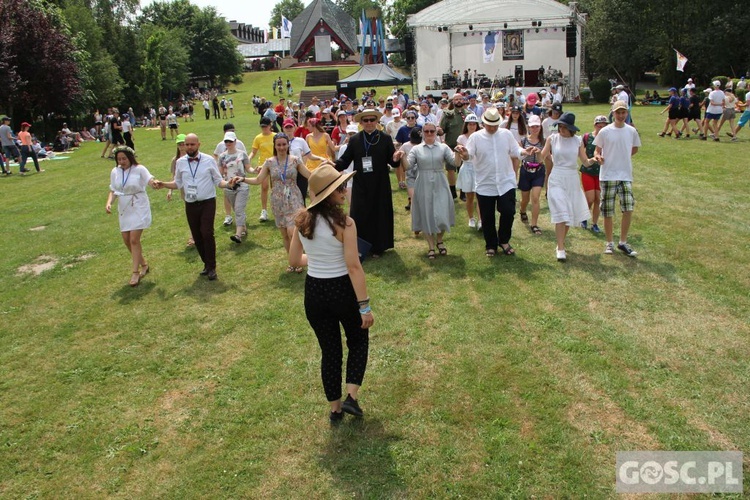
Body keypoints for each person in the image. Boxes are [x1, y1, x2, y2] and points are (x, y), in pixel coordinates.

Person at [288, 164, 373, 423]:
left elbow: (294, 259)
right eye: (340, 187)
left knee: (330, 350)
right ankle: (351, 397)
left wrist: (315, 260)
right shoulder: (345, 223)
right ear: (329, 193)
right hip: (341, 289)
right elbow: (353, 266)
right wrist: (365, 306)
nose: (345, 191)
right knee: (358, 339)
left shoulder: (301, 221)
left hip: (314, 291)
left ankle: (335, 410)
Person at [154, 133, 235, 280]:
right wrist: (164, 184)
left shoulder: (209, 160)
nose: (189, 147)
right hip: (190, 203)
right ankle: (206, 264)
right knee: (197, 236)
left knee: (206, 232)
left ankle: (212, 267)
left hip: (207, 202)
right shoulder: (180, 163)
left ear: (198, 144)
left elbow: (218, 181)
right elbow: (177, 183)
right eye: (187, 144)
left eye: (192, 144)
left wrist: (228, 183)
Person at [456, 107, 530, 257]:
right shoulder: (476, 137)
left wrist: (524, 152)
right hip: (485, 182)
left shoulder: (506, 134)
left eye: (495, 125)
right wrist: (464, 154)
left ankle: (504, 240)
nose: (492, 127)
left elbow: (516, 150)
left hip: (505, 181)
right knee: (487, 216)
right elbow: (468, 155)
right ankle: (490, 244)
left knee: (508, 212)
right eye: (489, 125)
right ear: (483, 123)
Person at [234, 133, 311, 271]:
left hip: (294, 199)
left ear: (288, 145)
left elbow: (310, 175)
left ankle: (300, 258)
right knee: (284, 234)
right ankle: (292, 262)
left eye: (284, 144)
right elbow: (258, 180)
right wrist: (242, 179)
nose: (281, 147)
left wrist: (327, 171)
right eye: (279, 145)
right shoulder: (269, 162)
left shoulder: (295, 160)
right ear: (275, 146)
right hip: (277, 201)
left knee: (292, 232)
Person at [334, 108, 400, 257]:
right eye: (366, 120)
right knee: (361, 214)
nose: (369, 123)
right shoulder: (355, 139)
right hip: (361, 184)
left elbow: (393, 162)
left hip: (380, 183)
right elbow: (345, 160)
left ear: (377, 121)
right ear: (361, 122)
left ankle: (379, 247)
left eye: (372, 120)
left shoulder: (385, 138)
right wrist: (333, 165)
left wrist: (396, 159)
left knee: (379, 213)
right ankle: (361, 247)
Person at [537, 113, 595, 262]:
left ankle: (560, 243)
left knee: (568, 215)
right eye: (560, 126)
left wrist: (595, 160)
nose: (561, 130)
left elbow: (585, 161)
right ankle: (561, 249)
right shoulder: (552, 138)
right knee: (561, 213)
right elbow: (541, 158)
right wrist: (537, 153)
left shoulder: (578, 141)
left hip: (572, 179)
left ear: (571, 129)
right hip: (556, 177)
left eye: (564, 127)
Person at [403, 122, 462, 259]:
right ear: (422, 133)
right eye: (427, 131)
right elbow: (408, 166)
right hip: (423, 182)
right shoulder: (416, 149)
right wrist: (402, 157)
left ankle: (440, 240)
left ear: (436, 133)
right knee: (426, 213)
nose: (429, 134)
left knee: (442, 211)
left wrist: (459, 153)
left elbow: (455, 163)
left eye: (432, 131)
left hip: (440, 180)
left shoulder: (443, 147)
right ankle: (431, 245)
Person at [593, 100, 641, 257]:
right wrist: (599, 157)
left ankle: (622, 241)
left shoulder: (631, 131)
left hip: (625, 175)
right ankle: (609, 242)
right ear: (613, 113)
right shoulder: (605, 131)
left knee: (628, 207)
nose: (621, 115)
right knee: (608, 210)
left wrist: (623, 157)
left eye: (623, 112)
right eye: (618, 112)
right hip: (607, 176)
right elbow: (597, 151)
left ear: (627, 113)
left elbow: (634, 149)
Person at [105, 146, 158, 286]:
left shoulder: (139, 169)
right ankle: (144, 264)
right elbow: (113, 190)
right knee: (127, 240)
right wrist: (109, 203)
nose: (122, 162)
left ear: (130, 157)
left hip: (139, 205)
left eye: (124, 159)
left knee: (134, 239)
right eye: (119, 159)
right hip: (124, 207)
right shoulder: (115, 171)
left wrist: (154, 183)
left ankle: (135, 273)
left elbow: (150, 180)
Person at [218, 132, 251, 244]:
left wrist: (255, 170)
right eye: (226, 141)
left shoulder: (242, 154)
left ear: (235, 141)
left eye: (230, 141)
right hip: (229, 187)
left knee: (238, 209)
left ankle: (238, 235)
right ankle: (243, 228)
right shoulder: (222, 156)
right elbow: (220, 173)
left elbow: (248, 168)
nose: (228, 143)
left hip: (242, 185)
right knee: (236, 209)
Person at [213, 122, 248, 227]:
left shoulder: (240, 144)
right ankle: (229, 216)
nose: (229, 141)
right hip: (227, 179)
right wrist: (219, 169)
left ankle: (240, 227)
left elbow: (244, 159)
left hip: (239, 179)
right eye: (229, 132)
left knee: (238, 206)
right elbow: (215, 155)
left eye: (233, 132)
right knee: (228, 197)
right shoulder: (220, 146)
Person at [439, 93, 470, 200]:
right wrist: (439, 131)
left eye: (460, 99)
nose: (458, 101)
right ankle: (452, 191)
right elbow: (442, 129)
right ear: (453, 101)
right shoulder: (448, 115)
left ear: (464, 100)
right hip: (451, 147)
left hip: (465, 147)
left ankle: (463, 192)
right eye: (456, 99)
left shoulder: (469, 114)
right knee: (450, 170)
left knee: (463, 170)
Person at [166, 134, 194, 247]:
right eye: (180, 144)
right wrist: (169, 191)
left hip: (194, 188)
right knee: (191, 213)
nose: (182, 146)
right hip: (184, 190)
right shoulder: (175, 160)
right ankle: (195, 234)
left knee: (194, 212)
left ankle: (194, 236)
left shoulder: (193, 156)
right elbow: (174, 176)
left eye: (183, 144)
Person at [580, 116, 607, 233]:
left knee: (598, 199)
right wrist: (588, 160)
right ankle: (584, 216)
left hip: (602, 173)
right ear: (594, 125)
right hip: (588, 171)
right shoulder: (587, 137)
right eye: (598, 125)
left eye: (603, 126)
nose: (601, 128)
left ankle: (594, 223)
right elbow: (580, 152)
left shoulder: (608, 138)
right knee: (590, 198)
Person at [518, 115, 545, 235]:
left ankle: (534, 224)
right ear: (529, 127)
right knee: (525, 198)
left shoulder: (544, 141)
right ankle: (522, 210)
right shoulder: (523, 141)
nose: (535, 129)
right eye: (533, 127)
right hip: (525, 170)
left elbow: (541, 160)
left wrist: (539, 153)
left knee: (535, 197)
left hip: (538, 171)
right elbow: (519, 156)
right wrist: (526, 151)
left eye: (537, 127)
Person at [455, 114, 481, 229]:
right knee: (469, 196)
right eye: (470, 124)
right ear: (466, 125)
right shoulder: (461, 138)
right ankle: (471, 218)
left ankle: (481, 220)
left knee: (480, 196)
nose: (472, 126)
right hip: (467, 167)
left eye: (474, 124)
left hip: (479, 167)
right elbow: (461, 155)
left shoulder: (481, 136)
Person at [249, 117, 274, 222]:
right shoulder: (258, 138)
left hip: (275, 164)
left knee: (276, 188)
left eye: (266, 126)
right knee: (264, 187)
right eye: (262, 126)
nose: (264, 128)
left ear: (270, 125)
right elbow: (253, 152)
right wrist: (248, 159)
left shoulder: (276, 136)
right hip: (263, 165)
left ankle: (277, 209)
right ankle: (264, 211)